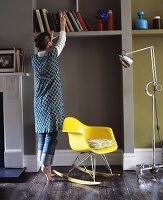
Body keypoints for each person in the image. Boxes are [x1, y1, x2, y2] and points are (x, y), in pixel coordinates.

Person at [31, 13, 66, 181]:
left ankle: (43, 164)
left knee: (43, 134)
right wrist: (62, 25)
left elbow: (49, 46)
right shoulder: (52, 55)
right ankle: (46, 165)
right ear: (50, 44)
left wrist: (49, 37)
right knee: (51, 134)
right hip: (51, 102)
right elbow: (63, 42)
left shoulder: (34, 59)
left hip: (39, 102)